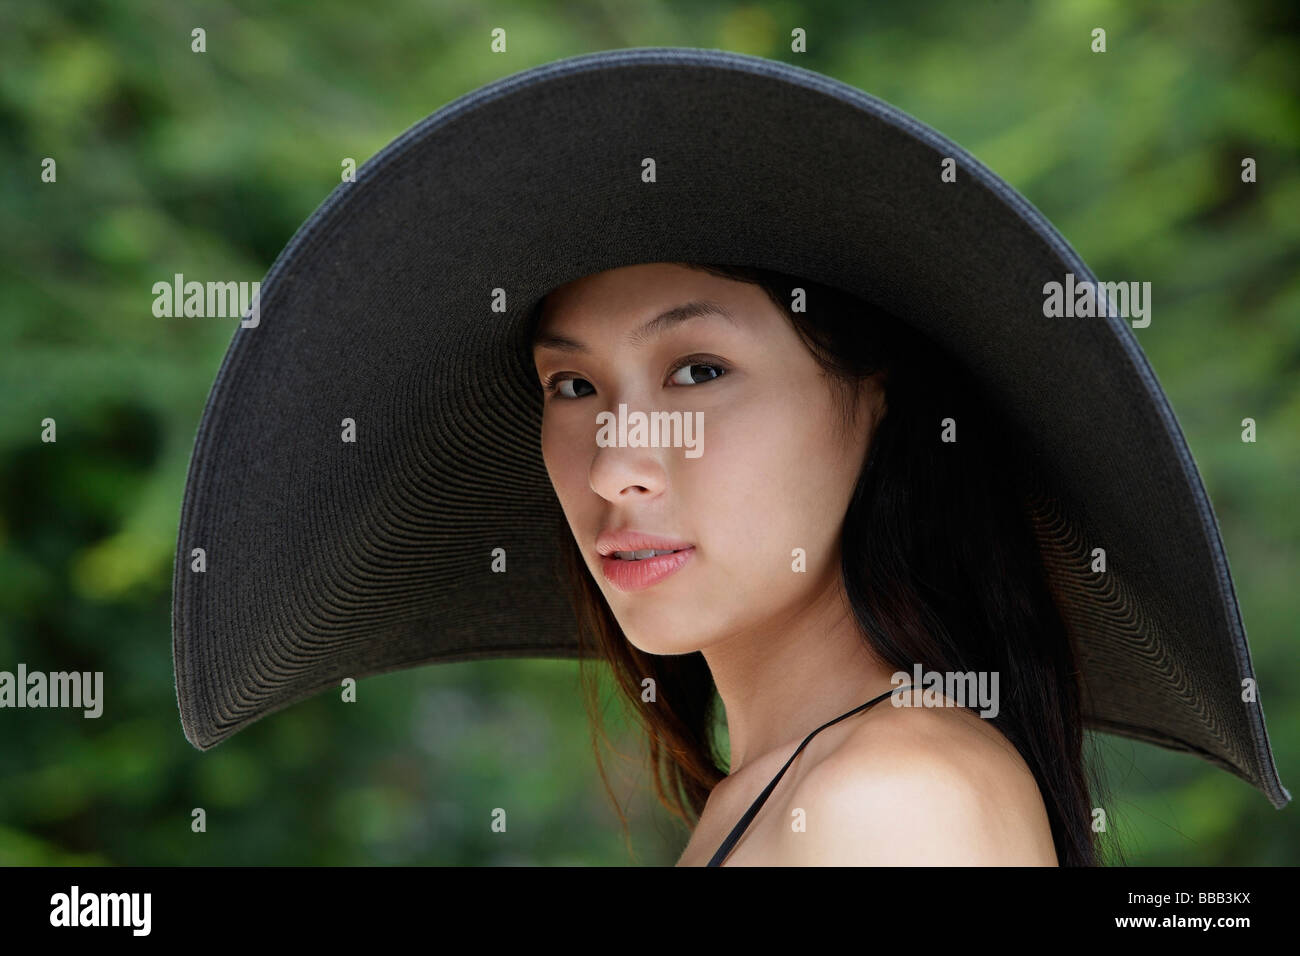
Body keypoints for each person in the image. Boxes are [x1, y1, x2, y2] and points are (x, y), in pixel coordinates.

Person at [529, 261, 1085, 865]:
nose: (611, 470)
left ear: (879, 397)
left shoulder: (889, 801)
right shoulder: (788, 793)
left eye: (699, 372)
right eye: (573, 386)